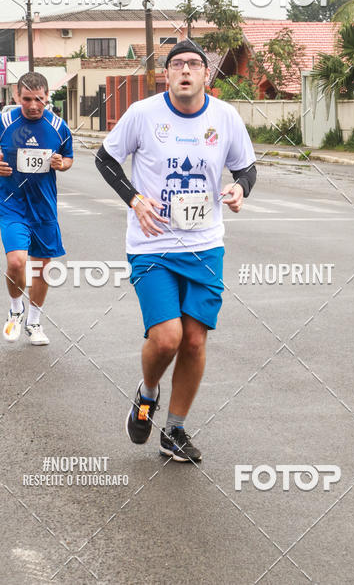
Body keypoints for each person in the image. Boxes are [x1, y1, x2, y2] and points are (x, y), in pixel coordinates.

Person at [95, 40, 256, 462]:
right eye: (177, 64)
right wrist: (134, 199)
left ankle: (175, 430)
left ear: (206, 74)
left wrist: (240, 188)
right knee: (167, 339)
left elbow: (246, 167)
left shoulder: (225, 117)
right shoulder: (143, 114)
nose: (185, 70)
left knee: (195, 341)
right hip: (153, 244)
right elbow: (105, 160)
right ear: (166, 74)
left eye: (194, 64)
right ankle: (147, 394)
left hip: (205, 245)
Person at [0, 72, 74, 345]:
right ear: (16, 96)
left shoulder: (58, 126)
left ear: (47, 96)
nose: (34, 105)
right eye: (27, 99)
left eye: (39, 99)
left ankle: (34, 322)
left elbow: (69, 158)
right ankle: (15, 309)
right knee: (16, 262)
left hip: (44, 207)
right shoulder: (4, 122)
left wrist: (61, 164)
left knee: (41, 269)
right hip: (13, 204)